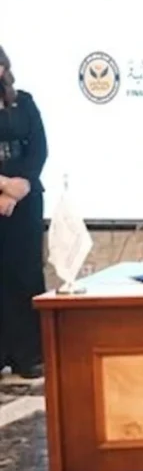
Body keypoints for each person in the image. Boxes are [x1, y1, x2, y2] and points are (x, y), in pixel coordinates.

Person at [0, 45, 48, 379]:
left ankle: (28, 354)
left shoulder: (24, 101)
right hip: (5, 190)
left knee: (25, 273)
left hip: (26, 198)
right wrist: (3, 186)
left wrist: (22, 186)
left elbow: (39, 148)